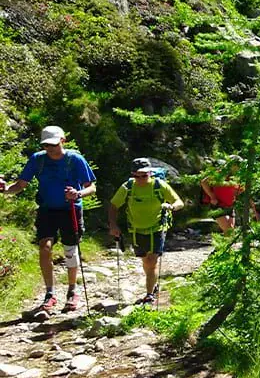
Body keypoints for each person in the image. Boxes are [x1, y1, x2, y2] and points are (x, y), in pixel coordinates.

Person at [0, 126, 97, 314]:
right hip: (47, 210)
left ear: (63, 140)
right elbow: (20, 185)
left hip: (71, 209)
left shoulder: (75, 159)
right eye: (46, 145)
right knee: (44, 247)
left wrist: (78, 194)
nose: (50, 148)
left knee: (70, 250)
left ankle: (72, 291)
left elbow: (91, 187)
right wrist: (4, 189)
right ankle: (50, 294)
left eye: (53, 144)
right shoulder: (38, 159)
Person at [108, 158, 183, 305]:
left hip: (157, 227)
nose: (141, 179)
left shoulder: (159, 185)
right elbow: (113, 205)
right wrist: (113, 225)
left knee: (152, 260)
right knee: (145, 261)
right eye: (137, 176)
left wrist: (171, 207)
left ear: (150, 173)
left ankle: (149, 294)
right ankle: (153, 285)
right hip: (136, 230)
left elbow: (179, 202)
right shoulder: (127, 187)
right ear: (132, 175)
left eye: (144, 175)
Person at [199, 156, 251, 234]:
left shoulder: (238, 177)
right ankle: (222, 245)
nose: (239, 167)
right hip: (218, 205)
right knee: (228, 230)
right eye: (238, 165)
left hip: (230, 206)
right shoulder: (220, 173)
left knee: (230, 231)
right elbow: (204, 182)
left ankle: (223, 246)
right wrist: (212, 196)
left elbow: (239, 190)